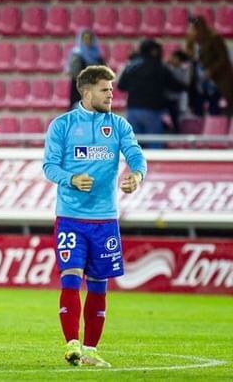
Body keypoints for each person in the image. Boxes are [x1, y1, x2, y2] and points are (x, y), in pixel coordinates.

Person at [43, 65, 147, 368]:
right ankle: (72, 344)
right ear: (87, 92)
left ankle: (90, 349)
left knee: (100, 286)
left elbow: (135, 154)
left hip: (105, 220)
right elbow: (49, 166)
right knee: (71, 278)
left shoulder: (119, 126)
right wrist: (71, 179)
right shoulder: (62, 126)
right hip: (71, 218)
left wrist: (136, 175)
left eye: (112, 90)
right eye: (105, 90)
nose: (111, 95)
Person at [117, 39, 186, 147]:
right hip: (152, 112)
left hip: (133, 111)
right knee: (155, 146)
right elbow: (175, 86)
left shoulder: (132, 66)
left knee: (134, 147)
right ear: (154, 51)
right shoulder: (160, 67)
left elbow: (121, 86)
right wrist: (187, 85)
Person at [185, 15, 233, 117]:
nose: (191, 30)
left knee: (214, 106)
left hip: (217, 78)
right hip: (199, 77)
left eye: (193, 27)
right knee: (197, 105)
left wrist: (211, 70)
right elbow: (188, 52)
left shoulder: (214, 37)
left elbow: (223, 58)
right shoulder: (190, 38)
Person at [67, 29, 105, 109]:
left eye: (89, 39)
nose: (87, 41)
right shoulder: (77, 55)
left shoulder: (98, 55)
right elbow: (75, 73)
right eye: (85, 39)